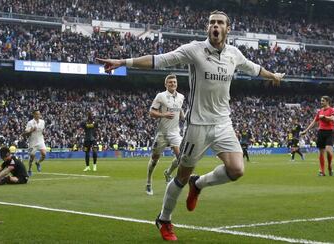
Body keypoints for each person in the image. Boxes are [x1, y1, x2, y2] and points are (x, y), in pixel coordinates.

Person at [98, 10, 285, 241]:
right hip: (197, 126)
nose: (215, 26)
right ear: (208, 28)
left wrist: (273, 76)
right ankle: (164, 219)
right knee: (181, 177)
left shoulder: (234, 54)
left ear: (228, 29)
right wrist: (123, 62)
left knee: (237, 170)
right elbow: (159, 60)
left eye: (220, 23)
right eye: (211, 22)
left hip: (223, 122)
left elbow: (254, 68)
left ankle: (200, 184)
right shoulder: (194, 50)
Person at [146, 74, 185, 195]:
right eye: (170, 82)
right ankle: (148, 182)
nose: (173, 84)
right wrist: (164, 115)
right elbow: (151, 112)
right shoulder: (161, 96)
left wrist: (184, 117)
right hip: (162, 133)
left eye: (174, 82)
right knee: (154, 159)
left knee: (181, 158)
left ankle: (168, 173)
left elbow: (180, 109)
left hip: (175, 132)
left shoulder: (181, 97)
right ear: (166, 84)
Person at [301, 96, 334, 176]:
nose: (321, 102)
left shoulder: (332, 109)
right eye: (321, 101)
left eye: (323, 101)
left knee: (328, 150)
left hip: (329, 132)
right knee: (321, 153)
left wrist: (324, 117)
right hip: (321, 132)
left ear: (327, 102)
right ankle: (322, 171)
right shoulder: (319, 111)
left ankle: (330, 167)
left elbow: (333, 119)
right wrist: (305, 131)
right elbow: (314, 122)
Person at [23, 110, 46, 176]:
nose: (38, 115)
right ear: (33, 115)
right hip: (32, 142)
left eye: (39, 114)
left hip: (40, 140)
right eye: (36, 114)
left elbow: (42, 131)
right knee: (32, 157)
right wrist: (31, 130)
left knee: (44, 154)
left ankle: (38, 163)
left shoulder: (42, 122)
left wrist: (44, 132)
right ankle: (29, 169)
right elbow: (25, 134)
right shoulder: (30, 123)